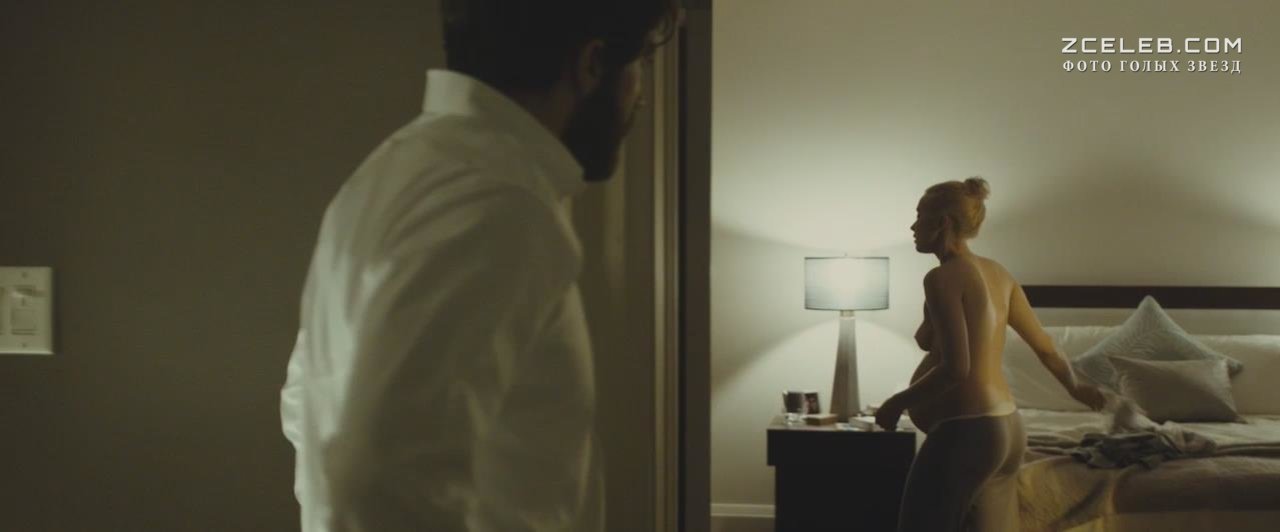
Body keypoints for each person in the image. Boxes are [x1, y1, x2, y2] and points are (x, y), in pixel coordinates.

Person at [279, 1, 678, 530]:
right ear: (592, 64)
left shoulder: (396, 170)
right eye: (640, 64)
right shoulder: (496, 202)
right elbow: (381, 481)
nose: (640, 95)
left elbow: (306, 401)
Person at [874, 177, 1107, 532]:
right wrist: (1076, 387)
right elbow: (1045, 345)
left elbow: (957, 368)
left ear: (943, 223)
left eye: (919, 216)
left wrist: (897, 403)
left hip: (967, 431)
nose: (913, 227)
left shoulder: (943, 278)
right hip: (1007, 429)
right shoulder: (998, 273)